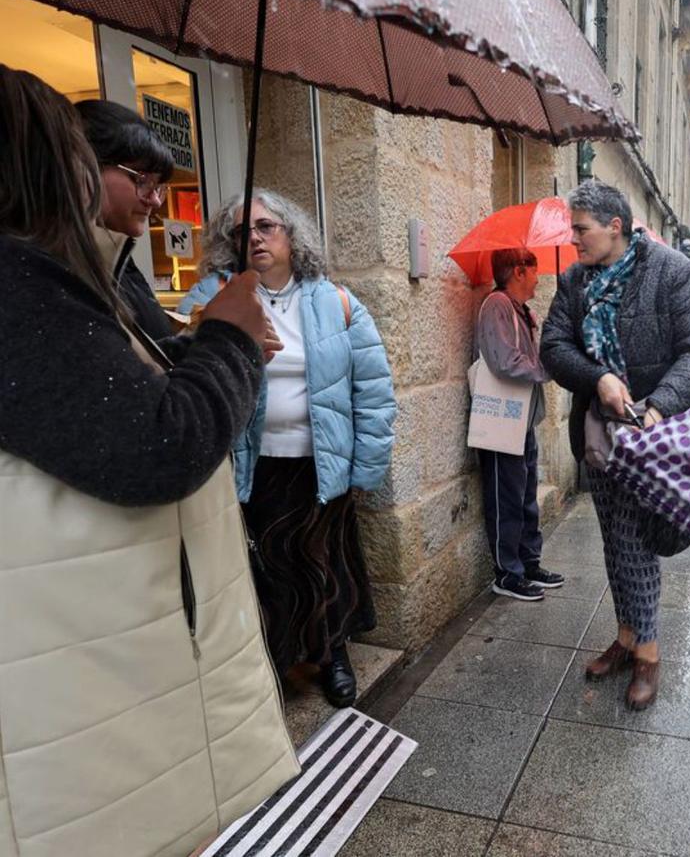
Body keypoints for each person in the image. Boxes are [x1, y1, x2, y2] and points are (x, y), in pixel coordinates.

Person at [0, 65, 297, 857]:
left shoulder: (78, 277)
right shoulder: (20, 283)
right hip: (83, 694)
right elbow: (160, 440)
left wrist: (201, 343)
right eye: (69, 149)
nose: (154, 199)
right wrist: (229, 340)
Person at [179, 189, 397, 708]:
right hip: (252, 467)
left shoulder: (334, 302)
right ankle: (275, 661)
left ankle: (334, 654)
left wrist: (365, 468)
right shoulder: (215, 296)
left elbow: (374, 391)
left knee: (327, 565)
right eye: (240, 230)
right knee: (268, 569)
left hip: (321, 465)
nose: (252, 237)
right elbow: (181, 368)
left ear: (291, 234)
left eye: (265, 226)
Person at [541, 180, 690, 711]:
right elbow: (553, 346)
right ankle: (625, 638)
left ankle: (649, 654)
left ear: (615, 227)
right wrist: (598, 378)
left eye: (581, 229)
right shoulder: (574, 282)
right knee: (614, 540)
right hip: (600, 438)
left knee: (637, 541)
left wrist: (657, 406)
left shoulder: (671, 272)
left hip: (656, 437)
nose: (572, 239)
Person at [476, 248, 565, 600]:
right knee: (507, 499)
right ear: (518, 271)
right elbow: (504, 362)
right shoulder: (497, 305)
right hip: (501, 420)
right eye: (534, 269)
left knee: (526, 495)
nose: (539, 277)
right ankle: (507, 574)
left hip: (521, 419)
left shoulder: (520, 310)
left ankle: (528, 562)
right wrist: (547, 369)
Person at [75, 99, 178, 340]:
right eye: (141, 179)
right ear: (84, 167)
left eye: (159, 186)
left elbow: (147, 358)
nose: (155, 201)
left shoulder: (117, 259)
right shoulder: (66, 271)